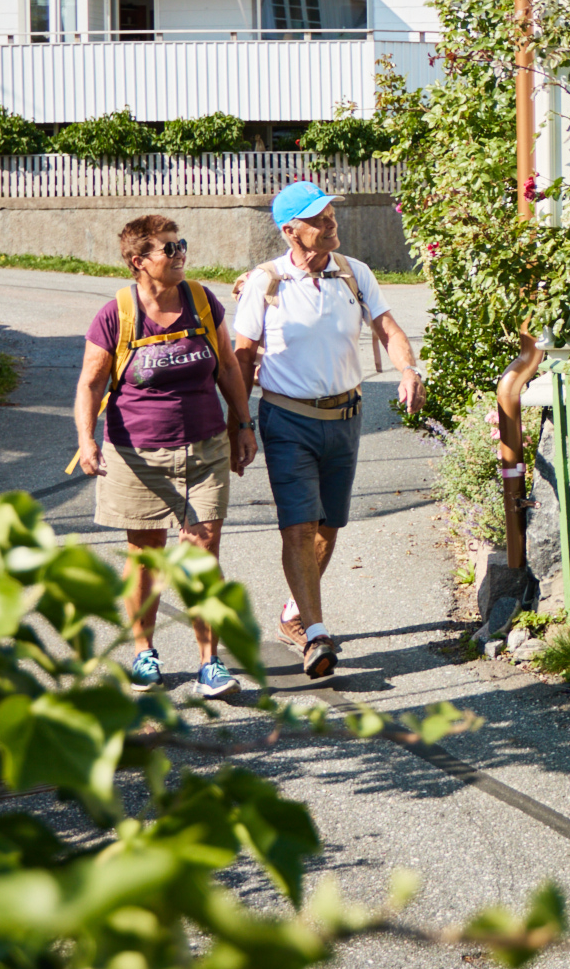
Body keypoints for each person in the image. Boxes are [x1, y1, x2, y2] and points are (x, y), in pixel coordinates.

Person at [235, 180, 420, 680]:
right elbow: (243, 354)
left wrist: (408, 370)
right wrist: (239, 422)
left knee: (327, 526)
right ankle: (316, 634)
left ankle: (294, 615)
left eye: (330, 215)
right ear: (289, 230)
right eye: (318, 219)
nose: (330, 223)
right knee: (297, 524)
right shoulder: (265, 283)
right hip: (287, 418)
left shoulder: (354, 273)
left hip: (345, 419)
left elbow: (387, 327)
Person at [72, 214, 256, 698]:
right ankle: (144, 654)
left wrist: (242, 423)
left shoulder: (200, 299)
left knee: (202, 554)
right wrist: (85, 439)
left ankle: (209, 663)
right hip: (137, 453)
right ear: (139, 262)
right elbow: (91, 382)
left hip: (204, 447)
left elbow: (228, 364)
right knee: (146, 557)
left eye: (181, 246)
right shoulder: (116, 314)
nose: (179, 255)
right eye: (168, 249)